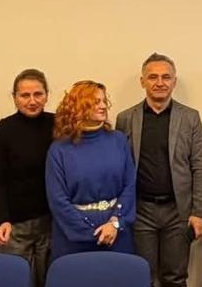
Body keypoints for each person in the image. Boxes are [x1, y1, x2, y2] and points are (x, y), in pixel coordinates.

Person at [115, 53, 202, 287]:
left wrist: (200, 212)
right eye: (153, 77)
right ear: (142, 81)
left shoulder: (190, 118)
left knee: (175, 278)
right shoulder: (126, 119)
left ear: (174, 81)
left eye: (165, 77)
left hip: (177, 212)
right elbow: (120, 167)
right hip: (140, 211)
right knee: (142, 279)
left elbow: (200, 167)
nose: (159, 82)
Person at [45, 81, 137, 260]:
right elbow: (58, 200)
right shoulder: (59, 150)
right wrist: (92, 232)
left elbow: (130, 185)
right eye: (95, 102)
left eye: (104, 101)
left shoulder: (118, 140)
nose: (103, 106)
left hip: (117, 234)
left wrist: (115, 223)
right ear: (78, 106)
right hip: (73, 239)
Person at [0, 68, 56, 287]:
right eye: (25, 95)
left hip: (48, 223)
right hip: (12, 226)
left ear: (47, 95)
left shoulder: (58, 125)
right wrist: (3, 219)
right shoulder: (3, 130)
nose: (32, 101)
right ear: (14, 97)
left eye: (38, 94)